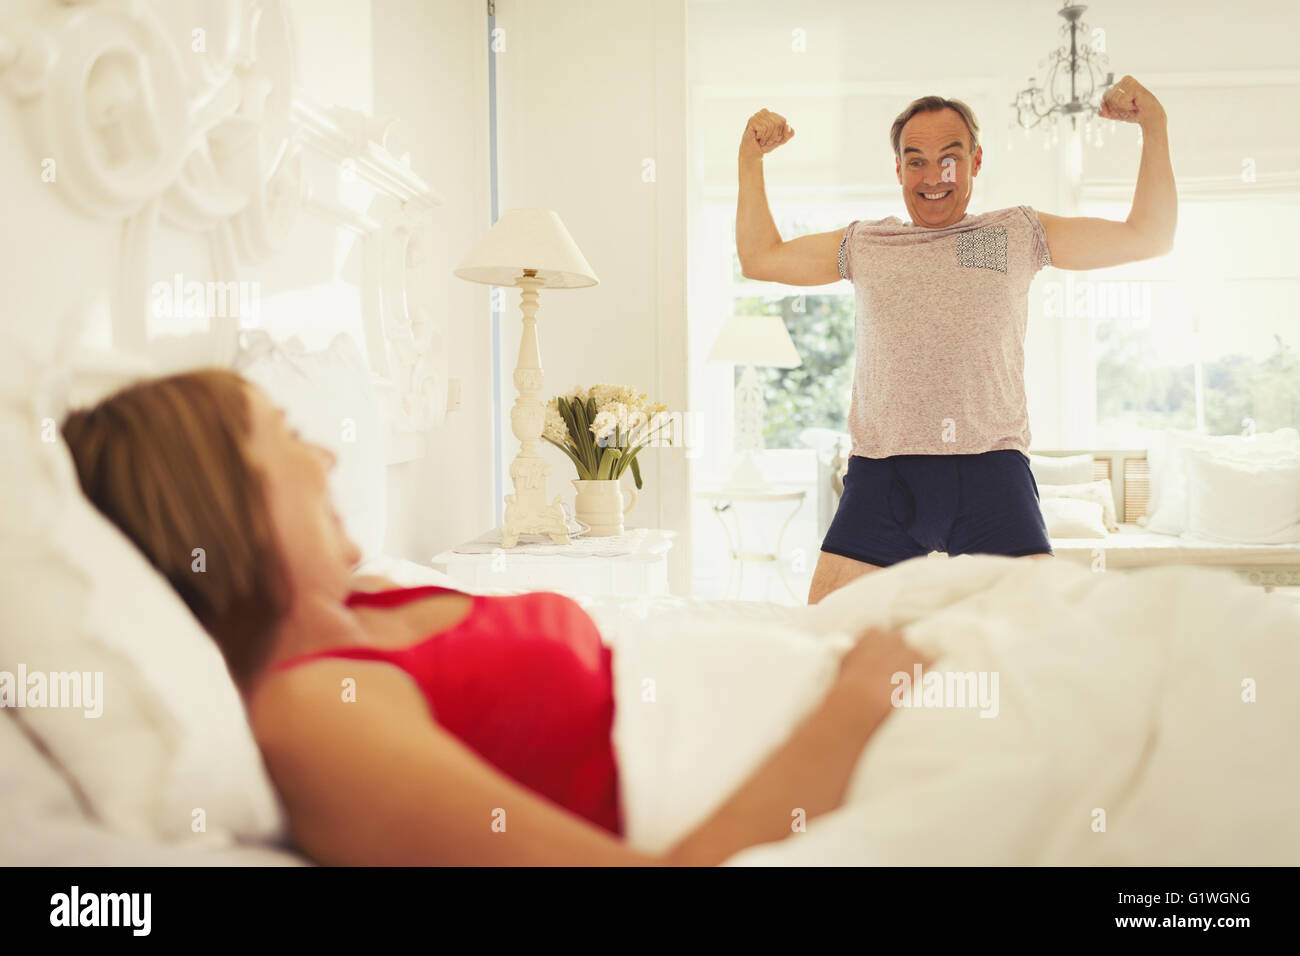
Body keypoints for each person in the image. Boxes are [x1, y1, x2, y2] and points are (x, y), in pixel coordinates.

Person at [60, 369, 931, 866]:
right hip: (848, 752)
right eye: (286, 433)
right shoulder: (310, 712)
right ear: (221, 497)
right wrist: (854, 705)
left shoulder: (372, 600)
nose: (324, 454)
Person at [735, 77, 1176, 604]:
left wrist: (1155, 125)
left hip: (992, 471)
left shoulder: (1009, 235)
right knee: (830, 635)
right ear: (898, 169)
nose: (933, 175)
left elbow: (1149, 236)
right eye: (915, 159)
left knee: (1038, 640)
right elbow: (760, 257)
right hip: (885, 473)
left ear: (975, 161)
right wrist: (749, 157)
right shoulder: (868, 245)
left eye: (950, 157)